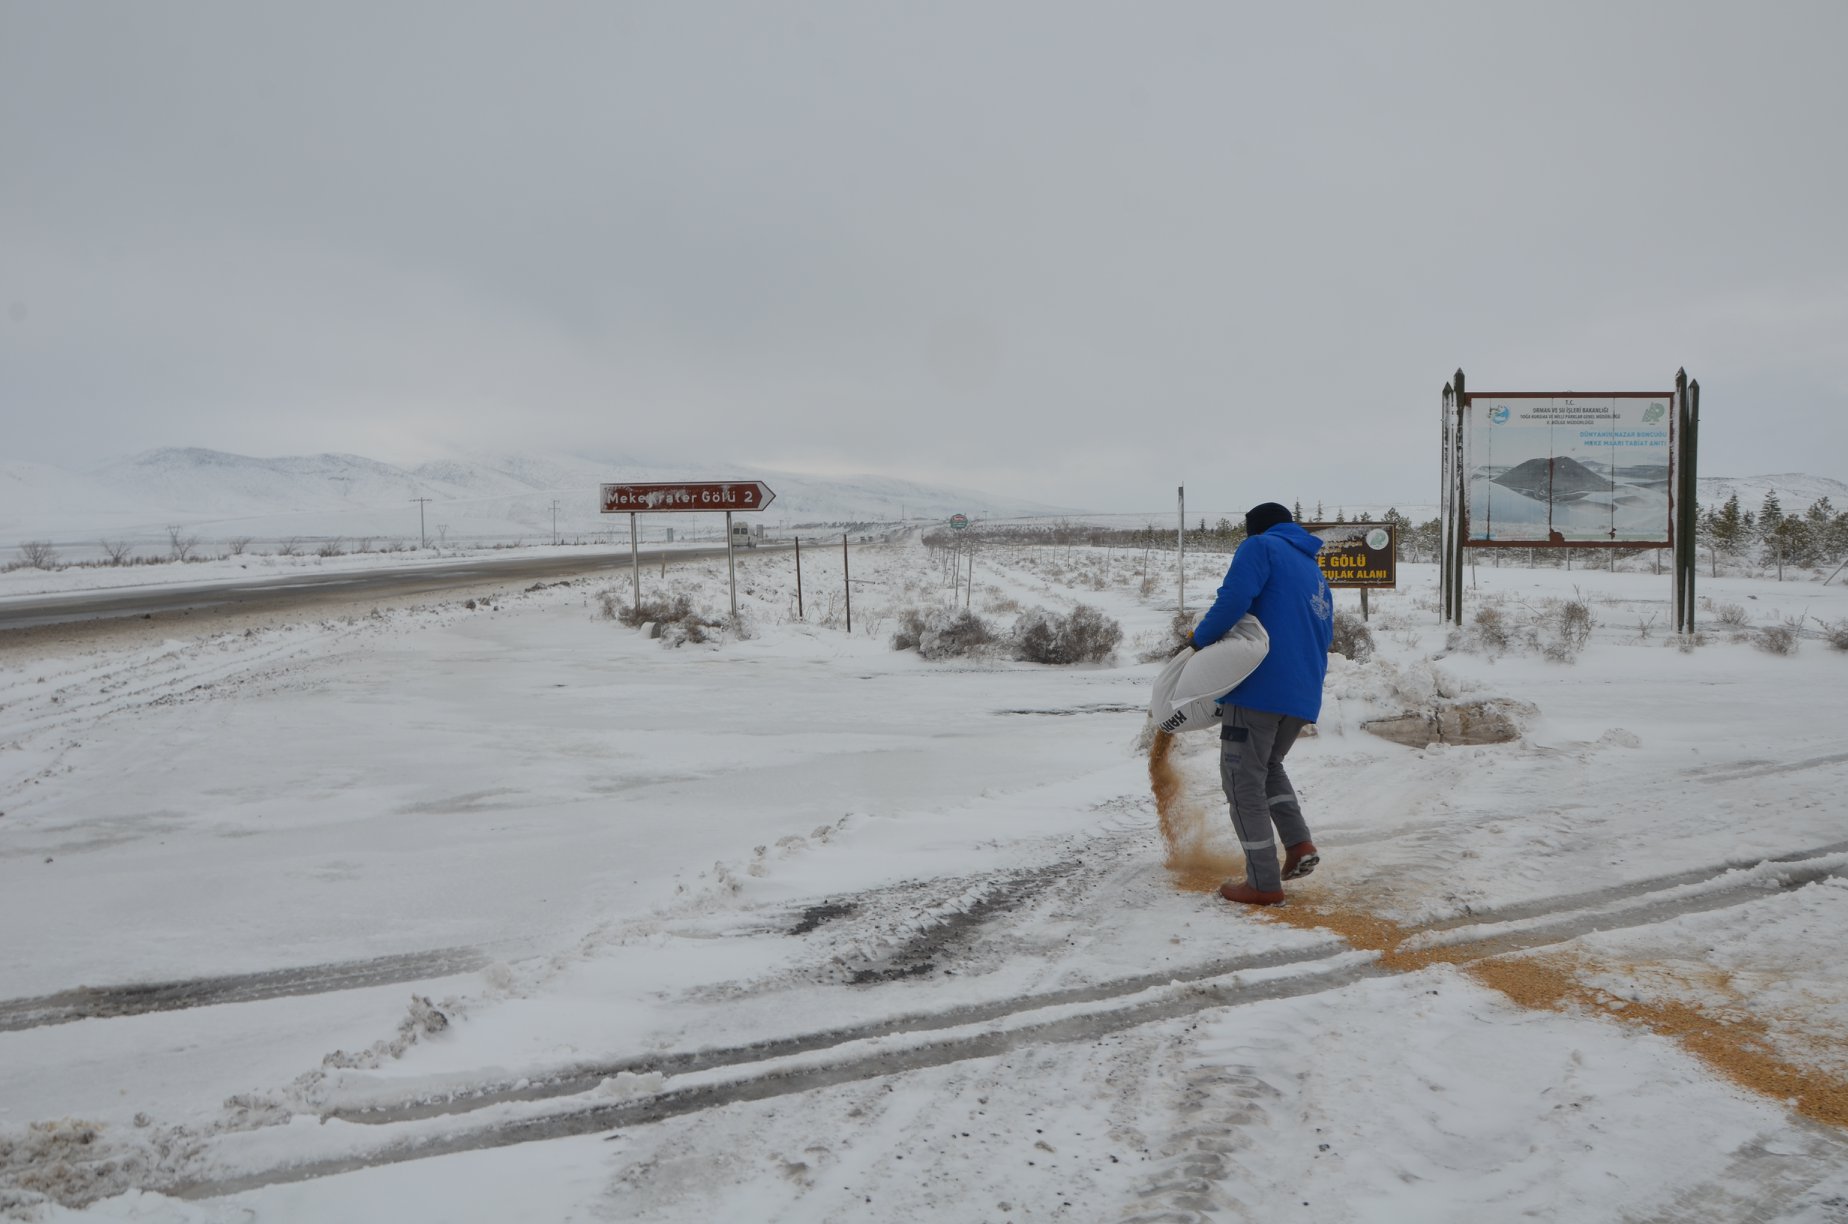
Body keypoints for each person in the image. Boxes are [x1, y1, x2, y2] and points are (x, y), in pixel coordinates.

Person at [1187, 502, 1334, 905]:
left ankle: (1263, 883)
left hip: (1260, 688)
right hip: (1303, 692)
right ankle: (1299, 844)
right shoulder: (1313, 569)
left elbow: (1234, 599)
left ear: (1255, 530)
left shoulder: (1260, 548)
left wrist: (1199, 640)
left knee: (1241, 780)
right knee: (1269, 767)